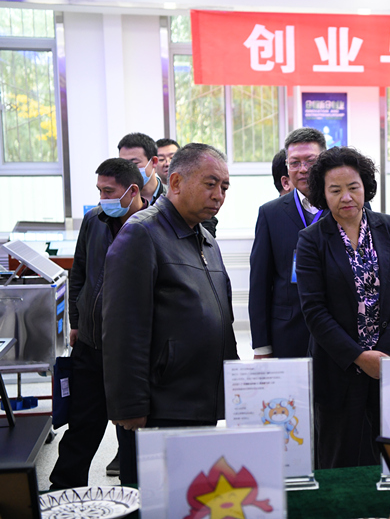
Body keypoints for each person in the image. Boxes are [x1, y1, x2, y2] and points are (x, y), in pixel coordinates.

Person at [102, 143, 237, 484]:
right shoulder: (142, 233)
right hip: (161, 405)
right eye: (210, 184)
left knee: (192, 496)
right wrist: (130, 406)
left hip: (198, 400)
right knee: (154, 499)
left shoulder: (205, 239)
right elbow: (122, 330)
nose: (219, 195)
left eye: (224, 187)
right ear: (175, 182)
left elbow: (221, 318)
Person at [295, 146, 390, 469]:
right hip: (338, 367)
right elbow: (314, 310)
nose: (346, 197)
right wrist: (360, 357)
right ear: (323, 193)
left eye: (353, 187)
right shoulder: (311, 239)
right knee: (341, 460)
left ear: (366, 187)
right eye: (335, 190)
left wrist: (384, 355)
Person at [49, 159, 148, 489]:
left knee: (131, 434)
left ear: (132, 191)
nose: (102, 198)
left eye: (108, 191)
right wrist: (76, 322)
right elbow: (78, 272)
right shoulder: (94, 220)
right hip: (90, 345)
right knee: (82, 425)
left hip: (131, 354)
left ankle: (134, 497)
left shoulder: (153, 226)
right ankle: (63, 491)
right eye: (100, 191)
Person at [249, 128, 327, 359]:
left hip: (341, 334)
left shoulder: (346, 207)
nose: (302, 169)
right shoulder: (270, 213)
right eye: (294, 163)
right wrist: (262, 347)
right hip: (288, 333)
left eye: (310, 161)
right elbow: (260, 283)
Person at [118, 132, 165, 204]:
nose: (127, 169)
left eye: (135, 163)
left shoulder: (172, 197)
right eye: (123, 164)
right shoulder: (116, 199)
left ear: (153, 162)